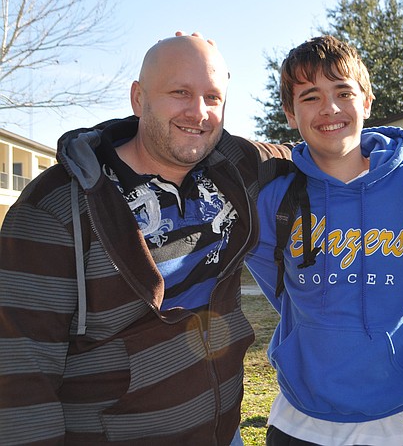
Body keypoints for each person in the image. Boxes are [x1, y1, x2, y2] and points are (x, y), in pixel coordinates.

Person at [0, 35, 290, 445]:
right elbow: (19, 375)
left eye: (213, 97)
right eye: (180, 93)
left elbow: (311, 149)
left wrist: (373, 149)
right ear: (139, 98)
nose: (199, 112)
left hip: (226, 435)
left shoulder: (233, 167)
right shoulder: (56, 209)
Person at [244, 35, 403, 445]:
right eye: (310, 97)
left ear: (368, 101)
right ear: (289, 112)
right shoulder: (273, 198)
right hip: (300, 422)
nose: (330, 109)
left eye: (343, 92)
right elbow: (281, 286)